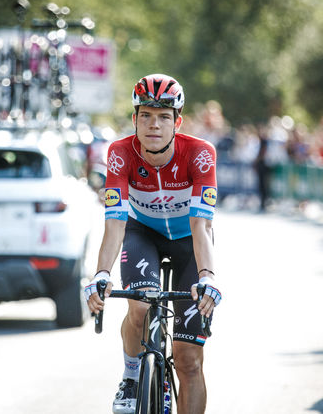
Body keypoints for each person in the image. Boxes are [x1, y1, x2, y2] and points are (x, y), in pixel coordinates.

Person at [85, 74, 222, 414]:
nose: (154, 124)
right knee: (140, 307)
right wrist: (101, 273)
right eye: (145, 115)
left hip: (189, 241)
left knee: (189, 360)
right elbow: (115, 222)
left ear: (178, 122)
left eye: (163, 116)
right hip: (142, 233)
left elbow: (201, 225)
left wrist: (207, 276)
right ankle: (132, 377)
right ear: (134, 119)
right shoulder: (119, 153)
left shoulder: (200, 154)